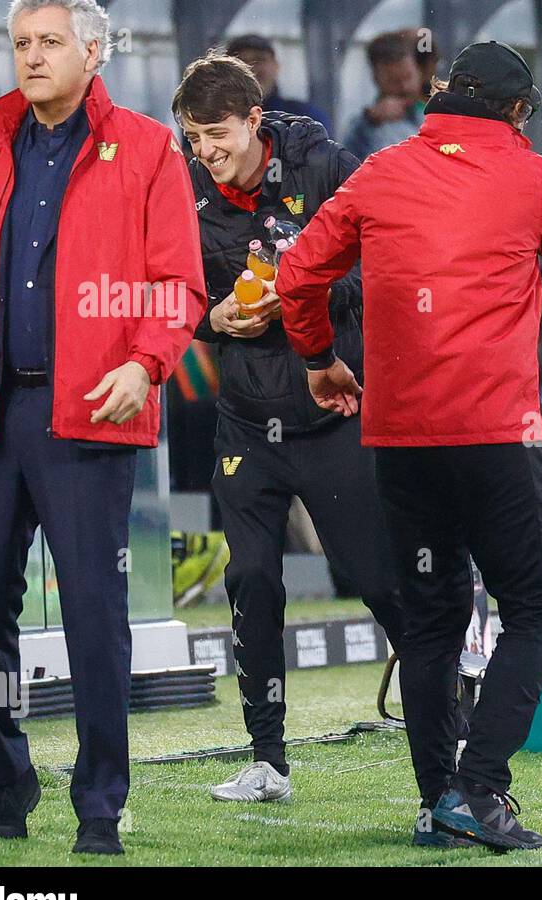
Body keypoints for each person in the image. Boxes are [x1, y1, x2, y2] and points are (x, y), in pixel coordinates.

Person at [275, 40, 542, 850]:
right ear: (517, 111)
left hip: (398, 436)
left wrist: (321, 358)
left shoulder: (381, 171)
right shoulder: (535, 178)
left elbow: (298, 277)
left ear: (440, 100)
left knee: (430, 622)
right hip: (494, 433)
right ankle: (480, 788)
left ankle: (439, 802)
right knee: (538, 606)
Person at [0, 0, 203, 854]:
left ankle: (99, 805)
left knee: (92, 609)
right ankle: (7, 781)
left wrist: (145, 361)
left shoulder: (151, 150)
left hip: (89, 415)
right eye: (20, 43)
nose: (31, 57)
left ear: (94, 51)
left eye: (48, 42)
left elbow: (179, 283)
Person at [173, 52, 405, 802]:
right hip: (245, 419)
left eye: (216, 134)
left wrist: (306, 292)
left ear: (252, 120)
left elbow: (387, 262)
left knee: (375, 577)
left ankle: (449, 711)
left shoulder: (323, 165)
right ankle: (267, 759)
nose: (205, 151)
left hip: (333, 408)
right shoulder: (183, 190)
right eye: (191, 136)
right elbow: (172, 293)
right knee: (249, 580)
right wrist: (212, 318)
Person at [344, 30, 429, 162]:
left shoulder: (433, 113)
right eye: (394, 81)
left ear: (419, 71)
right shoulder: (367, 128)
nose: (404, 87)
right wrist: (369, 120)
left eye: (408, 77)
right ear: (376, 78)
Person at [226, 33, 332, 135]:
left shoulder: (304, 118)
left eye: (259, 60)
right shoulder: (214, 118)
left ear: (276, 66)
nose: (250, 68)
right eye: (240, 61)